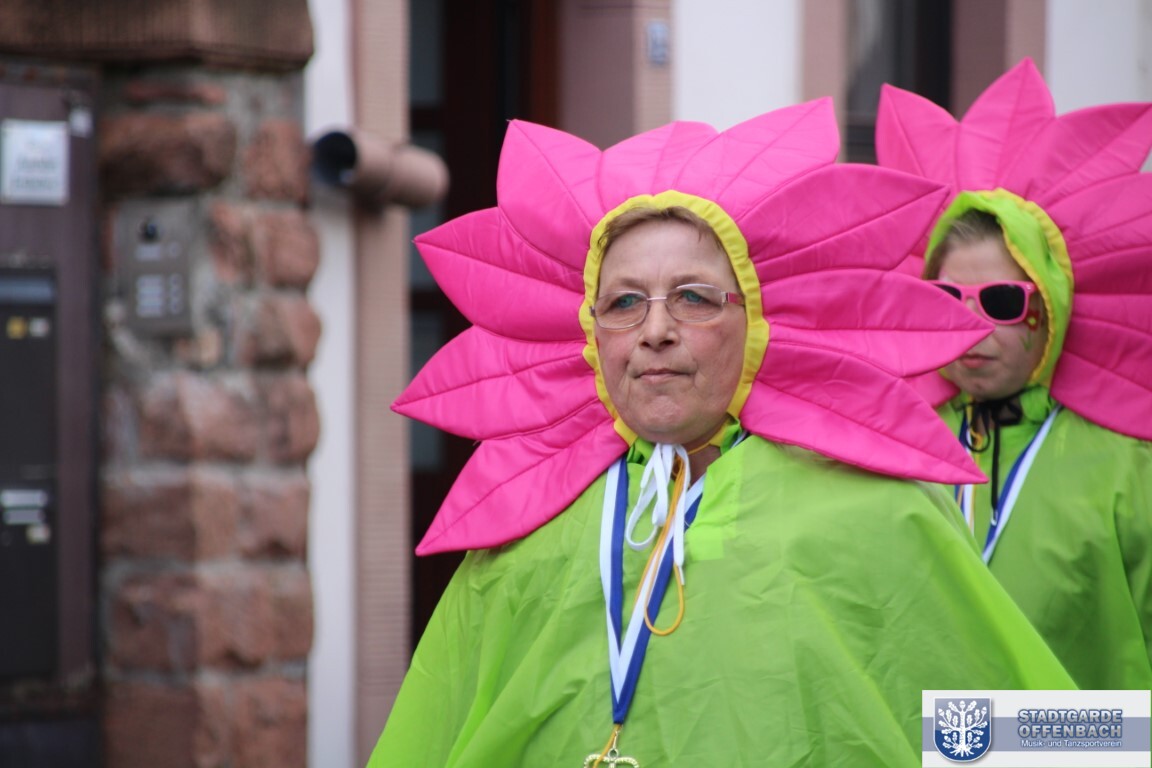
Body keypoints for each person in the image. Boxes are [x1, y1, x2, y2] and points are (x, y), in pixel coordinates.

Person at [369, 99, 1075, 767]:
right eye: (623, 302)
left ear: (763, 321)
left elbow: (1038, 734)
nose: (654, 330)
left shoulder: (877, 511)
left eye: (694, 298)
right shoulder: (528, 522)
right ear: (587, 331)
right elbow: (427, 732)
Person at [876, 58, 1152, 689]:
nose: (973, 327)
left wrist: (1020, 736)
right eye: (949, 299)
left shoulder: (1129, 467)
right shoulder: (894, 449)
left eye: (1002, 301)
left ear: (1048, 309)